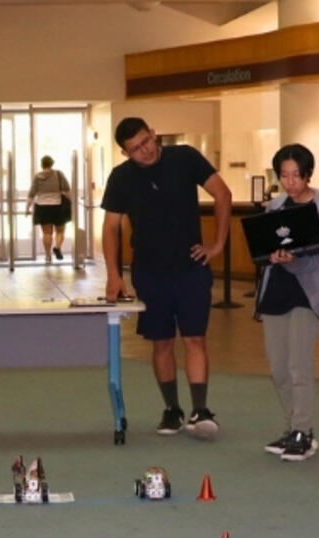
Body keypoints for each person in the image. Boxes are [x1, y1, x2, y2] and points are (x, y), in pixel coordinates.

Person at [101, 117, 232, 438]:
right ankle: (172, 410)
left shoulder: (185, 158)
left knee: (194, 338)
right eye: (135, 149)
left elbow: (223, 194)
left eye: (146, 142)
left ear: (154, 134)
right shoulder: (121, 178)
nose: (145, 151)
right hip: (150, 272)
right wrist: (114, 276)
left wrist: (217, 244)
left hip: (190, 269)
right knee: (161, 343)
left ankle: (200, 410)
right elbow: (111, 227)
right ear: (124, 153)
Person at [258, 143, 319, 462]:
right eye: (284, 175)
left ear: (307, 175)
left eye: (296, 175)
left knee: (298, 365)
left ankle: (302, 429)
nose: (290, 182)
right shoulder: (273, 206)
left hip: (306, 293)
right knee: (278, 368)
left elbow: (314, 258)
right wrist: (270, 255)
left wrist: (289, 260)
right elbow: (262, 249)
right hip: (276, 291)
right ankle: (296, 429)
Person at [26, 155, 70, 262]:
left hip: (42, 207)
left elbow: (31, 193)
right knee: (60, 231)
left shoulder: (37, 176)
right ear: (52, 163)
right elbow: (67, 189)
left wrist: (27, 207)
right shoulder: (59, 174)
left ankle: (47, 256)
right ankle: (57, 247)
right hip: (58, 206)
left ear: (42, 164)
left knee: (47, 233)